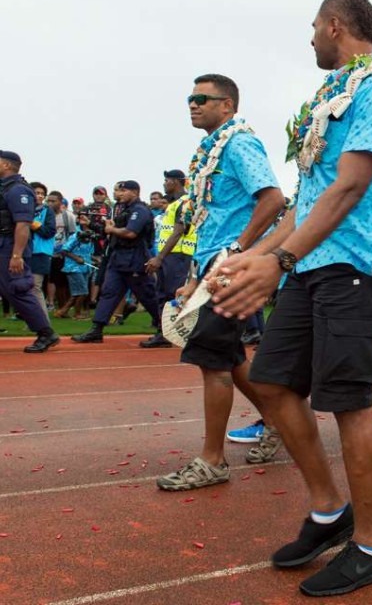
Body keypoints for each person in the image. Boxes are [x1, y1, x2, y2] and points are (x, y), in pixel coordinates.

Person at [207, 0, 372, 597]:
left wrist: (281, 260)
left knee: (349, 403)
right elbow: (309, 199)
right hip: (312, 263)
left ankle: (371, 547)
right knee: (269, 382)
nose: (311, 40)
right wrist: (256, 256)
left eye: (313, 29)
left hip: (355, 263)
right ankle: (329, 511)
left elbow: (350, 187)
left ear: (333, 25)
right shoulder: (329, 96)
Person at [153, 74, 286, 491]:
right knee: (227, 358)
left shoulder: (239, 144)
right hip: (212, 267)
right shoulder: (210, 150)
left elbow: (273, 198)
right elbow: (209, 219)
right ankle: (280, 423)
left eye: (201, 98)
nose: (192, 105)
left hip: (231, 269)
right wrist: (194, 277)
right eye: (189, 98)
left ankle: (212, 461)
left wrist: (238, 250)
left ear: (227, 106)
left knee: (213, 360)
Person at [72, 181, 161, 342]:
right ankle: (96, 330)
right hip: (118, 257)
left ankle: (163, 328)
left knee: (147, 295)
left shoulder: (140, 210)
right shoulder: (124, 210)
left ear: (134, 192)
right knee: (108, 292)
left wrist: (111, 229)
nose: (119, 194)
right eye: (118, 191)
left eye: (123, 191)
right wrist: (91, 225)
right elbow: (111, 232)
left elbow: (130, 233)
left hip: (135, 258)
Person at [0, 151, 60, 352]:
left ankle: (46, 333)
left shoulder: (18, 191)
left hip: (10, 247)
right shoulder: (5, 188)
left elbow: (23, 225)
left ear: (7, 165)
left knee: (19, 289)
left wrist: (16, 255)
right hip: (4, 244)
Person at [140, 169, 197, 348]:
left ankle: (175, 332)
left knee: (172, 293)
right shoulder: (173, 204)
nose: (164, 183)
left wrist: (159, 257)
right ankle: (164, 333)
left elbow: (179, 230)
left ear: (176, 182)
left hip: (177, 254)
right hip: (170, 254)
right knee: (163, 293)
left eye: (167, 180)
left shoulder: (185, 202)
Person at [54, 213, 95, 320]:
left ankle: (62, 312)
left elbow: (89, 253)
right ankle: (77, 314)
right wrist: (76, 258)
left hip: (85, 267)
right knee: (83, 292)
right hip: (73, 267)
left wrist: (96, 260)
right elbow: (64, 250)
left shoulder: (91, 235)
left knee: (77, 292)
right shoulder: (76, 235)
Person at [29, 182, 56, 315]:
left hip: (40, 252)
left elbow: (49, 232)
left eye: (42, 194)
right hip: (24, 252)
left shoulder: (47, 211)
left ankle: (43, 322)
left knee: (35, 287)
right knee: (24, 288)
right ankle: (32, 320)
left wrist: (35, 225)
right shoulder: (24, 209)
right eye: (36, 193)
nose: (39, 196)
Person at [47, 190, 76, 309]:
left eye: (53, 201)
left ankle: (64, 307)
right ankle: (57, 305)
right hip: (48, 253)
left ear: (60, 202)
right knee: (53, 280)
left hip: (63, 254)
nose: (50, 203)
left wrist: (67, 249)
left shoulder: (67, 216)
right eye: (48, 201)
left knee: (64, 282)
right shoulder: (44, 215)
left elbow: (73, 234)